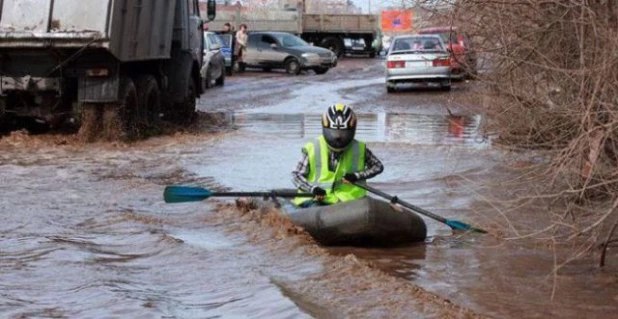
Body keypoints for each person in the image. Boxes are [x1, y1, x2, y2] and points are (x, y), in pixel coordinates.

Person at [292, 104, 384, 207]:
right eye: (334, 133)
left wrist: (356, 176)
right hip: (317, 200)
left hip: (348, 201)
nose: (338, 138)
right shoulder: (313, 148)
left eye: (343, 133)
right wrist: (312, 189)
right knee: (316, 208)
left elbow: (378, 166)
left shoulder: (358, 148)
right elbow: (296, 175)